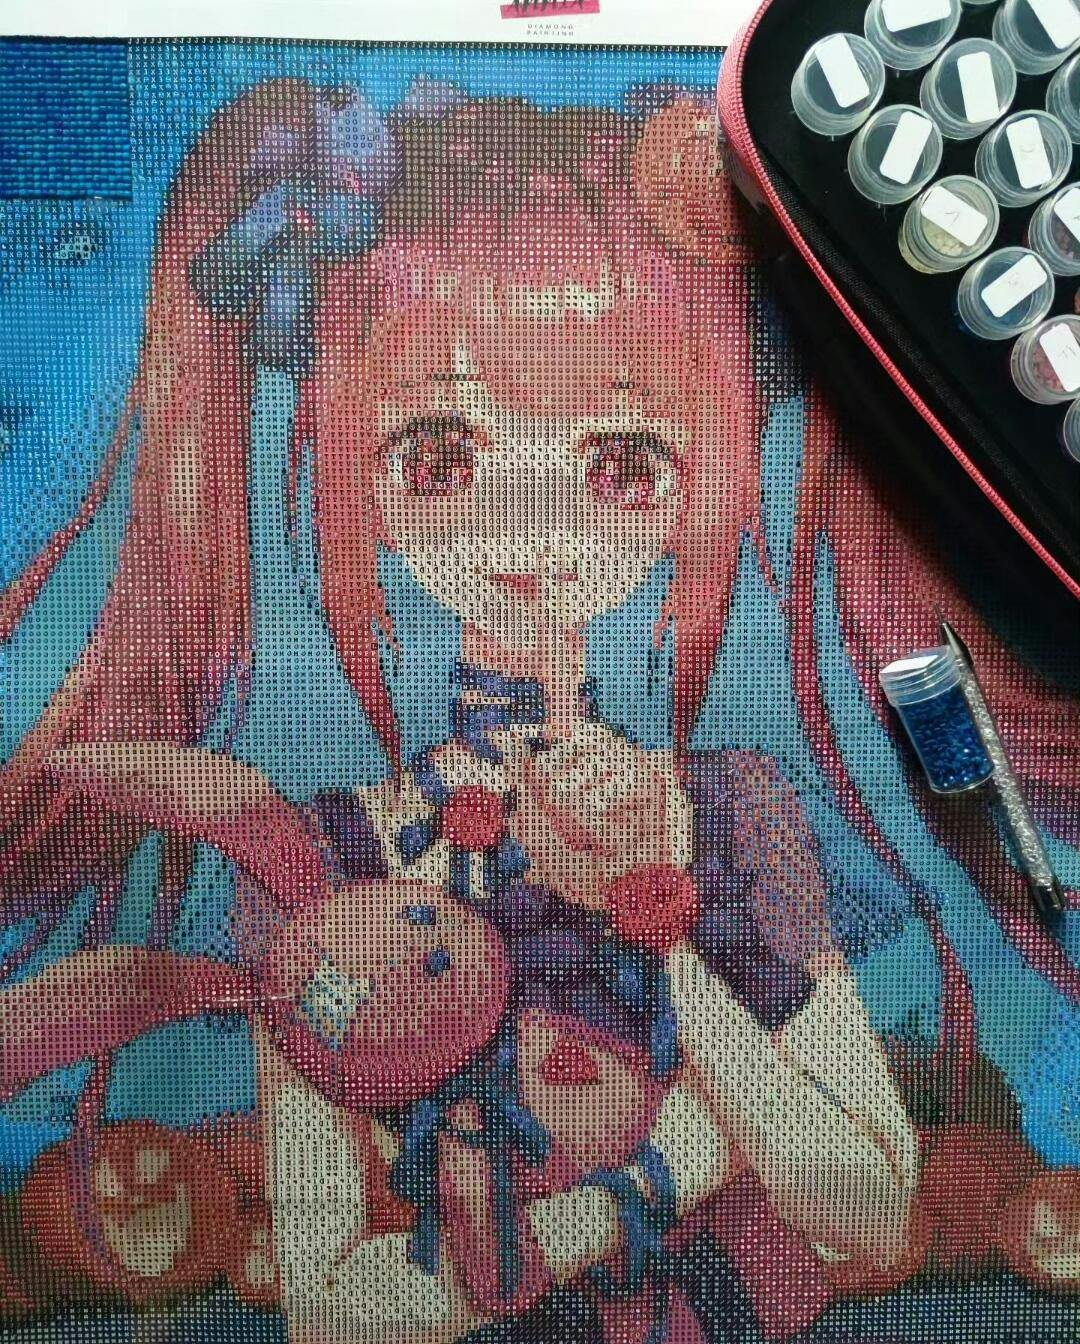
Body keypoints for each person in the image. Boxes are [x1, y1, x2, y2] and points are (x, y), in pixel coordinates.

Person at [2, 76, 1072, 1341]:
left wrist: (664, 928)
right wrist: (658, 1174)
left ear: (702, 482)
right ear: (357, 466)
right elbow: (335, 1311)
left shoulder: (727, 819)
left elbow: (872, 1213)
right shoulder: (321, 858)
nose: (532, 533)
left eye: (621, 465)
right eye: (442, 457)